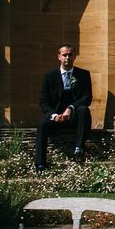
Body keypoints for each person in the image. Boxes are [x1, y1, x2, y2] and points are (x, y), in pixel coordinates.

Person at [35, 44, 91, 172]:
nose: (67, 58)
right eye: (64, 55)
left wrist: (71, 108)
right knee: (42, 124)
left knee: (83, 110)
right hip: (56, 118)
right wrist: (54, 115)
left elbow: (87, 98)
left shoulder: (83, 74)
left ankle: (79, 149)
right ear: (58, 57)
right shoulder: (49, 76)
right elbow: (43, 102)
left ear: (75, 57)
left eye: (70, 55)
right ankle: (40, 164)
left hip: (75, 117)